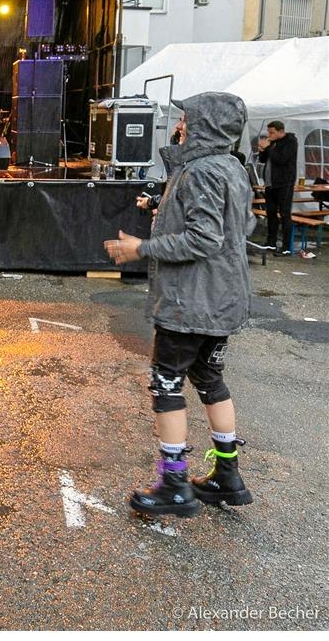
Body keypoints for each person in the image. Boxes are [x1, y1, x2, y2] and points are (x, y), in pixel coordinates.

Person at [105, 92, 256, 518]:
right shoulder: (232, 167)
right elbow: (240, 224)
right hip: (222, 299)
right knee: (210, 379)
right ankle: (227, 476)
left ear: (205, 125)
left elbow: (204, 239)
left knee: (167, 383)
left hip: (192, 302)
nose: (180, 124)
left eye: (187, 118)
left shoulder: (201, 171)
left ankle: (174, 484)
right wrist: (162, 207)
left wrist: (143, 247)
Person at [256, 120, 298, 255]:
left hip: (284, 183)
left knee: (285, 214)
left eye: (272, 132)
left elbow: (282, 159)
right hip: (270, 183)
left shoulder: (290, 141)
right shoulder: (272, 143)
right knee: (271, 213)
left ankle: (286, 247)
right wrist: (262, 150)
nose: (270, 135)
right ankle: (271, 242)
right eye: (269, 132)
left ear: (281, 131)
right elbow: (264, 160)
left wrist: (268, 148)